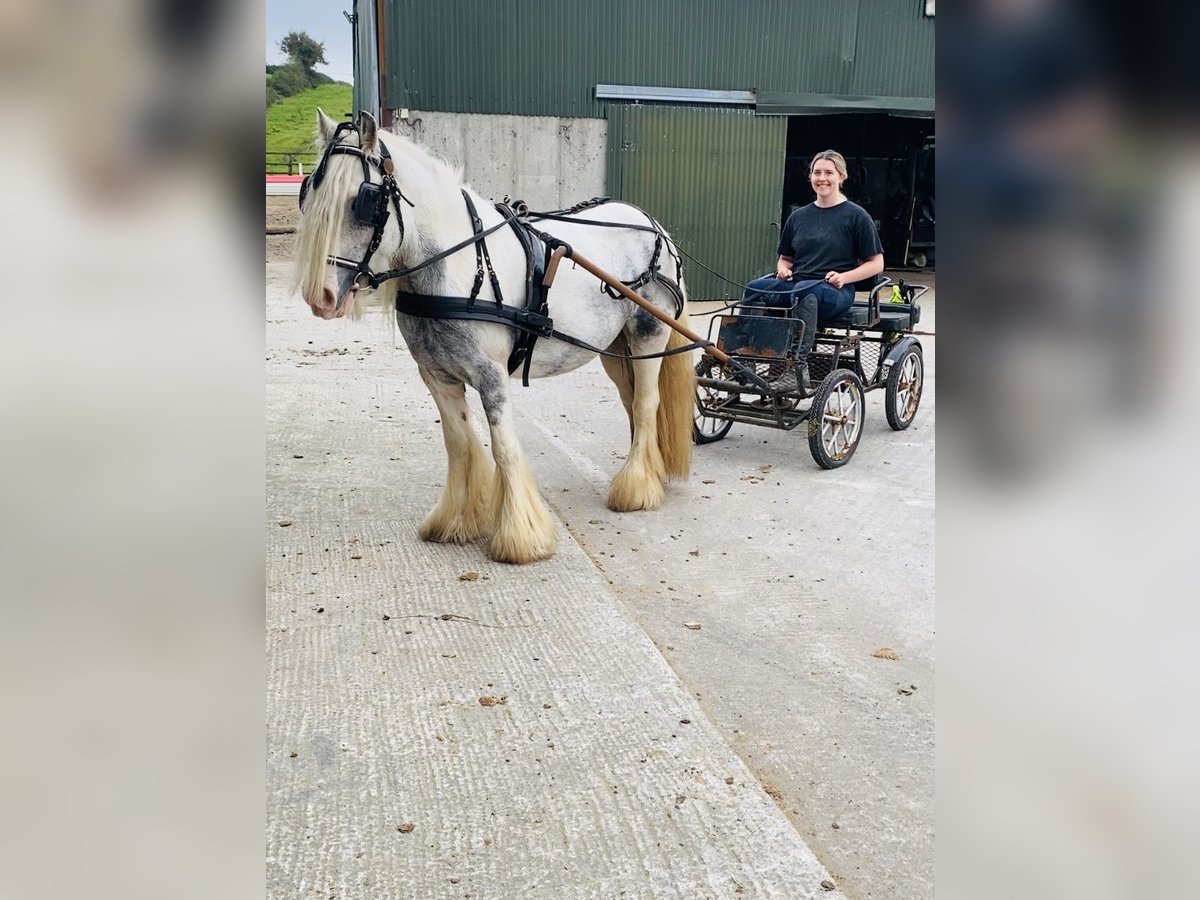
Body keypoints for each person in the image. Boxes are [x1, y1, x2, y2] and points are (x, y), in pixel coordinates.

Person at [742, 150, 885, 390]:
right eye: (817, 172)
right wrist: (783, 269)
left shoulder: (856, 216)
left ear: (842, 177)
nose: (822, 178)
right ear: (810, 177)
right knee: (754, 289)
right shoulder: (798, 217)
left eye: (829, 172)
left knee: (804, 291)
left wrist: (844, 277)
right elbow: (785, 258)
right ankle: (747, 361)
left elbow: (876, 263)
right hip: (797, 285)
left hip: (833, 292)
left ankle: (796, 368)